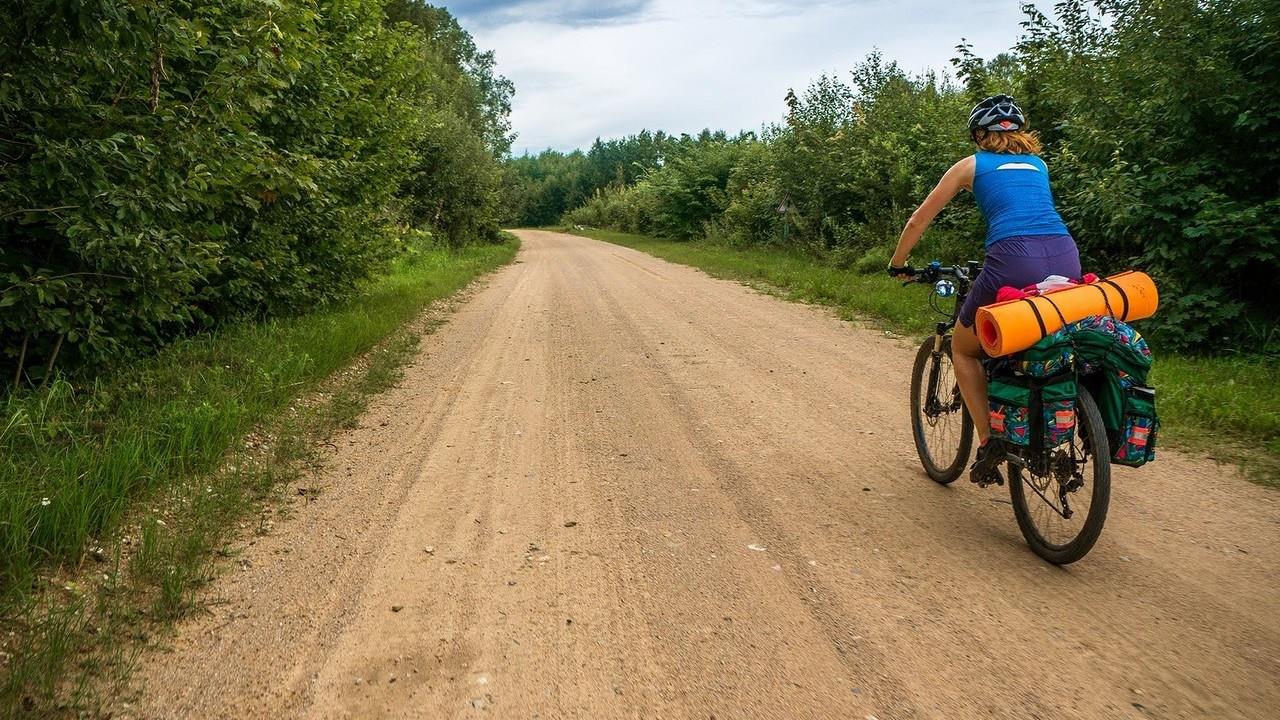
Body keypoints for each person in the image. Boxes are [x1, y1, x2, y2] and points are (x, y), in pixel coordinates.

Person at [888, 94, 1081, 484]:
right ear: (1019, 133)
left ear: (979, 134)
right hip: (1065, 254)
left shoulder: (970, 165)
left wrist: (897, 264)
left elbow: (918, 220)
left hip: (1011, 257)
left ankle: (988, 441)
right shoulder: (1039, 165)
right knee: (1041, 331)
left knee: (963, 347)